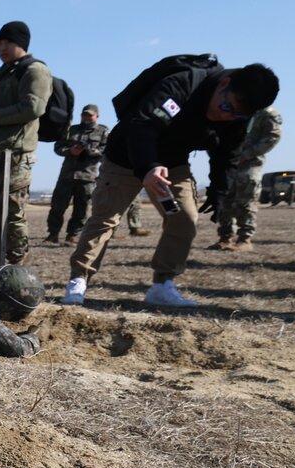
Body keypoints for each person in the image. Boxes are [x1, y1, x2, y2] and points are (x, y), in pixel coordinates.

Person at [62, 60, 279, 307]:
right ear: (224, 83)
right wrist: (148, 168)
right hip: (127, 155)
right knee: (105, 218)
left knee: (185, 218)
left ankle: (163, 284)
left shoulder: (238, 114)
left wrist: (220, 189)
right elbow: (143, 127)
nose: (227, 116)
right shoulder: (182, 85)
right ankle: (78, 280)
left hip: (173, 162)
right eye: (227, 106)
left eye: (238, 114)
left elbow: (228, 152)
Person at [0, 21, 50, 267]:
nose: (2, 48)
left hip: (15, 154)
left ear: (22, 44)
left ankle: (16, 269)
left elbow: (34, 107)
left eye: (8, 43)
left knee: (12, 214)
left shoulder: (34, 70)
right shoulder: (1, 73)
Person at [209, 106, 283, 251]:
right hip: (228, 162)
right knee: (225, 199)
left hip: (249, 163)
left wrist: (247, 154)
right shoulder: (229, 105)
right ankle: (225, 237)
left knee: (246, 199)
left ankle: (244, 239)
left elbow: (273, 136)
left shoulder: (265, 111)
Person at [46, 105, 109, 244]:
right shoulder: (71, 130)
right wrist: (70, 150)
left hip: (87, 176)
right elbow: (58, 147)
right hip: (67, 175)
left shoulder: (103, 131)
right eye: (84, 115)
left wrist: (89, 151)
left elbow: (106, 151)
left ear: (97, 116)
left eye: (90, 115)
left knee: (81, 209)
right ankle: (52, 234)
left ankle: (73, 234)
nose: (87, 118)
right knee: (57, 207)